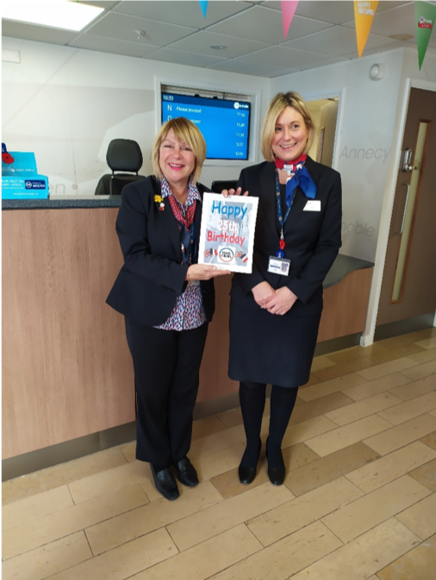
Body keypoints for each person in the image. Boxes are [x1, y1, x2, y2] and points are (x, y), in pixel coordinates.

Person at [107, 118, 230, 500]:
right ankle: (159, 460)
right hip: (151, 312)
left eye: (186, 147)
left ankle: (179, 453)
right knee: (152, 391)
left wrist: (233, 212)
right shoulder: (138, 194)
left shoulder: (208, 199)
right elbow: (134, 256)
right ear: (158, 151)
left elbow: (225, 241)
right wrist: (185, 272)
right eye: (169, 146)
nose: (177, 155)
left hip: (194, 313)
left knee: (184, 389)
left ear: (197, 157)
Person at [227, 92, 342, 486]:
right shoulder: (250, 177)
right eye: (278, 127)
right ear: (268, 133)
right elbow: (237, 239)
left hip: (299, 300)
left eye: (294, 126)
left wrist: (293, 291)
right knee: (251, 379)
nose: (286, 135)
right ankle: (251, 445)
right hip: (253, 297)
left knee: (287, 377)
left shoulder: (328, 181)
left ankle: (274, 446)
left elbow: (328, 245)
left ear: (308, 130)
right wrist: (256, 284)